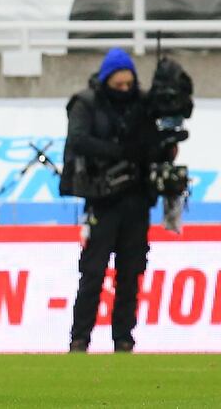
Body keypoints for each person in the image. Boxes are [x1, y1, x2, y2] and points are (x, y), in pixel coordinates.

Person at [60, 47, 161, 353]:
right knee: (93, 271)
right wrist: (118, 152)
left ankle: (124, 338)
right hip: (102, 199)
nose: (124, 91)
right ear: (106, 81)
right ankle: (80, 338)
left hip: (136, 199)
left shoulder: (143, 106)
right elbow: (77, 139)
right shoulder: (86, 103)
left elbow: (154, 144)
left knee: (131, 272)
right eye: (118, 85)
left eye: (128, 85)